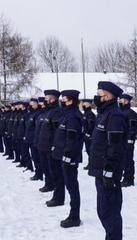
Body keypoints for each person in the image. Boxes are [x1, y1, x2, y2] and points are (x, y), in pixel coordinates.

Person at [87, 81, 127, 240]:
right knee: (103, 210)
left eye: (100, 94)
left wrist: (109, 170)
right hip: (100, 169)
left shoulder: (115, 116)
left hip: (108, 171)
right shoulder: (104, 114)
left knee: (110, 210)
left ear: (109, 96)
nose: (97, 97)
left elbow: (115, 146)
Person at [57, 90, 84, 227]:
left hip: (70, 157)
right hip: (65, 155)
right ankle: (73, 214)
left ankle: (75, 216)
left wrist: (67, 155)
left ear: (71, 100)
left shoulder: (73, 116)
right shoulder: (67, 114)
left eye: (64, 99)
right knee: (69, 184)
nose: (62, 101)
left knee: (72, 186)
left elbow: (72, 139)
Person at [36, 90, 62, 195]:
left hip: (50, 147)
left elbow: (56, 131)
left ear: (52, 99)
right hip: (43, 145)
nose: (44, 101)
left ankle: (57, 191)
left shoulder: (56, 112)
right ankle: (49, 184)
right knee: (46, 167)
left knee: (54, 171)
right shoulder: (48, 111)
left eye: (46, 99)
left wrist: (54, 146)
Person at [119, 93, 137, 187]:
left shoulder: (131, 113)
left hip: (127, 141)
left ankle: (129, 179)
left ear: (126, 101)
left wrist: (130, 140)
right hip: (121, 141)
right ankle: (125, 176)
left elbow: (132, 128)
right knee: (123, 160)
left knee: (128, 160)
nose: (119, 101)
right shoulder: (120, 112)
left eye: (121, 99)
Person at [25, 98, 42, 176]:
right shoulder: (31, 114)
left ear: (36, 104)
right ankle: (37, 172)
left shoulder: (38, 113)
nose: (31, 105)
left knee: (37, 158)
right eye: (30, 104)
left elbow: (37, 128)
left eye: (33, 104)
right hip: (30, 139)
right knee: (34, 157)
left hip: (35, 140)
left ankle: (39, 173)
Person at [81, 98, 96, 164]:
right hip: (85, 134)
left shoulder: (90, 114)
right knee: (88, 150)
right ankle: (90, 163)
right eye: (83, 103)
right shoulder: (85, 113)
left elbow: (91, 125)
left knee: (90, 150)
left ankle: (92, 163)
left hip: (89, 135)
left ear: (89, 104)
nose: (83, 104)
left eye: (85, 103)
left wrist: (88, 133)